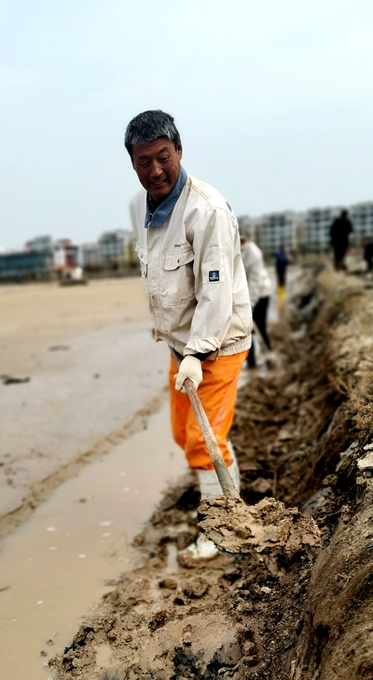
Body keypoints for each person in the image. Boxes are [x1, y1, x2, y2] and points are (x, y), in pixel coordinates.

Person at [125, 110, 252, 557]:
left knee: (202, 440)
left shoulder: (207, 210)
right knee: (185, 433)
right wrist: (183, 350)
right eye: (144, 161)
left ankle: (222, 531)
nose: (155, 170)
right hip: (181, 345)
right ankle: (228, 485)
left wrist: (198, 354)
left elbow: (216, 291)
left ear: (179, 150)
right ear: (133, 163)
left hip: (218, 343)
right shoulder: (138, 208)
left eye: (164, 156)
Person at [240, 232, 273, 368]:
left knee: (259, 326)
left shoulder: (253, 254)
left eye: (242, 240)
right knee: (247, 329)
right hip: (248, 295)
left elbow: (254, 282)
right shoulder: (236, 249)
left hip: (261, 294)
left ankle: (269, 354)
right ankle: (252, 362)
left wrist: (250, 305)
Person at [274, 243, 290, 308]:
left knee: (282, 284)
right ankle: (281, 298)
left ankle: (282, 297)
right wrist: (287, 259)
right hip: (280, 272)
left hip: (282, 271)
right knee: (281, 284)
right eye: (285, 248)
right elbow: (283, 261)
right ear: (282, 248)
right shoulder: (280, 254)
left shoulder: (282, 254)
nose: (285, 249)